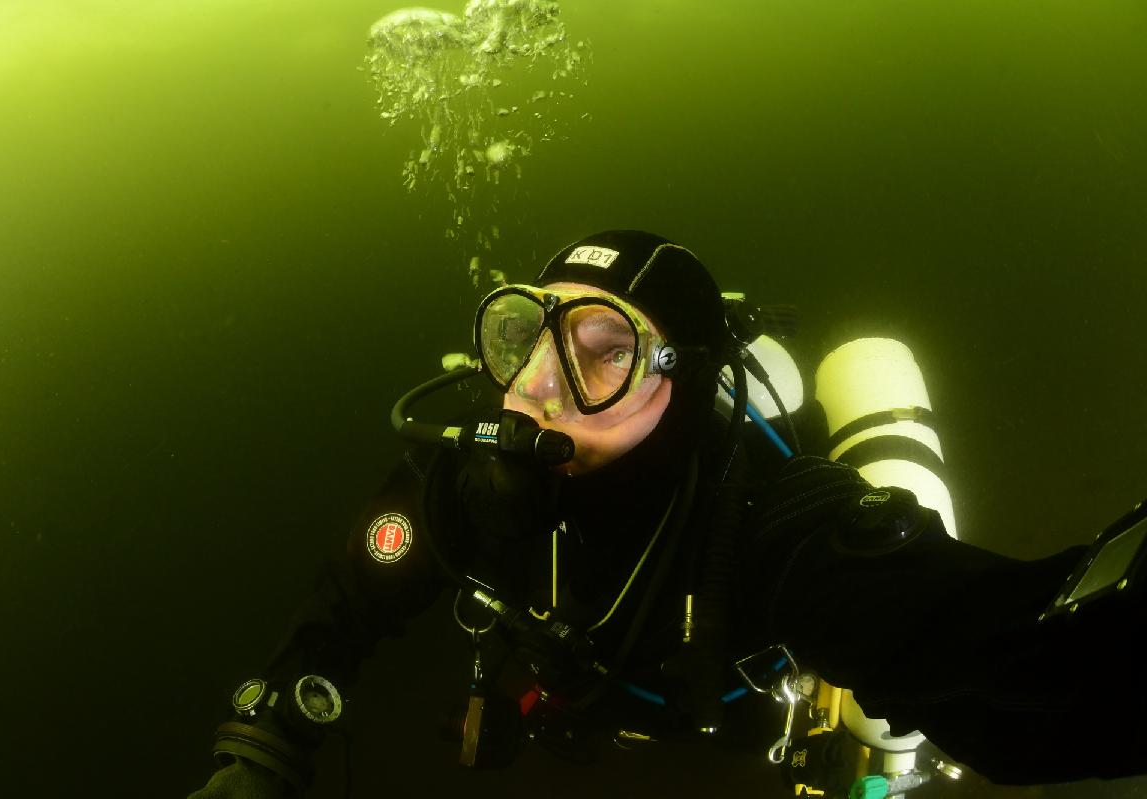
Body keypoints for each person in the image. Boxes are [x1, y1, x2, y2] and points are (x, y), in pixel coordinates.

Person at [188, 230, 1147, 798]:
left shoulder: (771, 519)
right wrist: (263, 749)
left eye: (606, 350)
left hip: (744, 715)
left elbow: (1019, 674)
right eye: (527, 333)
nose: (540, 381)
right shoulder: (463, 485)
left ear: (682, 384)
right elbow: (349, 603)